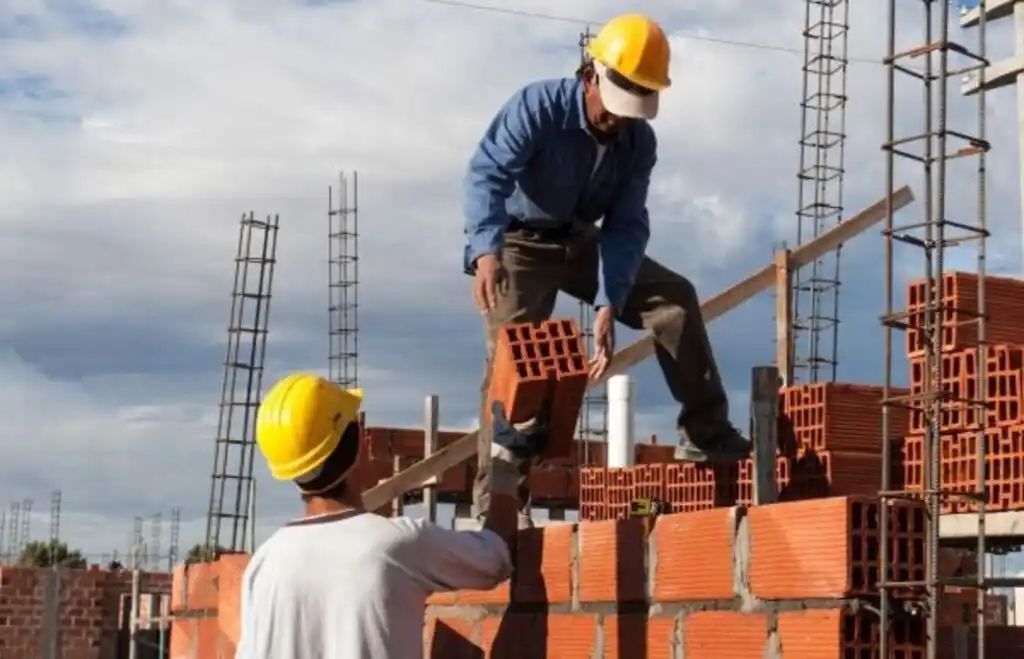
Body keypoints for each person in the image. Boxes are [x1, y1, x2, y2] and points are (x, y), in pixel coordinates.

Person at [462, 12, 752, 516]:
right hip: (519, 243)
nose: (619, 120)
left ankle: (705, 431)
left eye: (633, 108)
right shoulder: (537, 107)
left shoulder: (638, 142)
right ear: (590, 75)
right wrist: (487, 251)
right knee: (516, 360)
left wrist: (607, 301)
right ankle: (499, 506)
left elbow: (626, 224)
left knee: (674, 301)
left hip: (581, 240)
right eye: (616, 105)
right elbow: (486, 175)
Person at [235, 373, 531, 659]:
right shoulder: (395, 546)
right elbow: (494, 556)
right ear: (354, 446)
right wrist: (504, 462)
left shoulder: (265, 564)